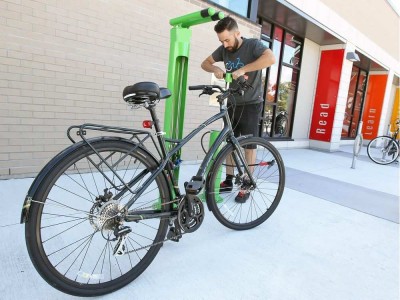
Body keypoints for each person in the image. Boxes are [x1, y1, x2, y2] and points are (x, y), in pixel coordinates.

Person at [201, 16, 276, 203]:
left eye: (227, 39)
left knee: (248, 145)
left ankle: (246, 182)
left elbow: (271, 58)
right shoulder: (224, 50)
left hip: (251, 102)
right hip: (232, 102)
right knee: (230, 143)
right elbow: (205, 63)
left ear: (237, 33)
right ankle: (228, 179)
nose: (225, 44)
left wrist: (243, 69)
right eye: (221, 41)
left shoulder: (253, 46)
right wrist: (215, 69)